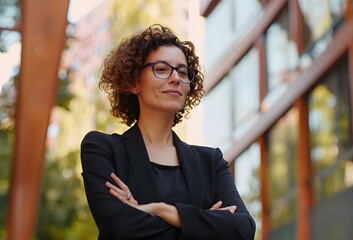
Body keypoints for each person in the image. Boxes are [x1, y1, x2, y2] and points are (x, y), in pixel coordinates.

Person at [80, 24, 256, 240]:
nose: (175, 78)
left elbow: (243, 229)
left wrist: (158, 209)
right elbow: (121, 228)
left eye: (183, 72)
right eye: (161, 69)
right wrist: (205, 225)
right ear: (134, 82)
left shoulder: (211, 161)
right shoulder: (102, 149)